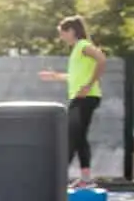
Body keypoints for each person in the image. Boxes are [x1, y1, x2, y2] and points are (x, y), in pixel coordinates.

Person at [38, 15, 106, 189]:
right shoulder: (76, 49)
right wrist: (56, 76)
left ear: (72, 31)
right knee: (79, 137)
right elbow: (75, 77)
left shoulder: (83, 45)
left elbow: (101, 59)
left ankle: (60, 176)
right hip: (81, 98)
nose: (62, 37)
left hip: (85, 98)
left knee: (72, 136)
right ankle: (85, 179)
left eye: (63, 33)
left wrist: (88, 85)